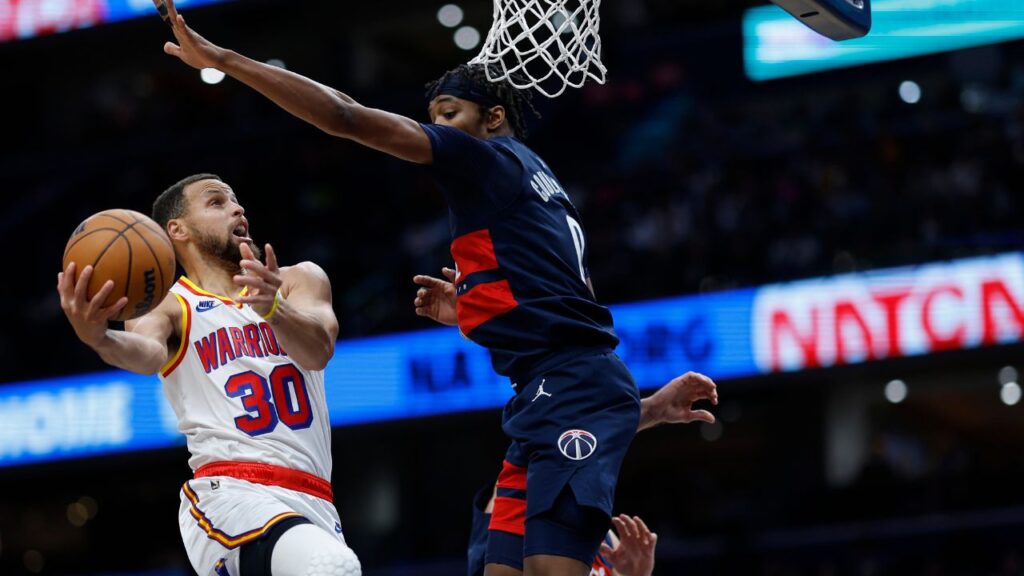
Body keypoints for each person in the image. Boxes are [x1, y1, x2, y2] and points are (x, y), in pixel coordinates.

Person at [152, 2, 718, 574]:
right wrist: (477, 309)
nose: (437, 129)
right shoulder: (540, 183)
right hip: (550, 395)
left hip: (570, 389)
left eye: (449, 114)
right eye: (433, 116)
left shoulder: (489, 162)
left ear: (493, 118)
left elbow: (344, 116)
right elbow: (564, 311)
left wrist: (223, 58)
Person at [57, 174, 361, 576]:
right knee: (331, 566)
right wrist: (99, 338)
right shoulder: (170, 305)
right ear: (177, 230)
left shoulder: (296, 280)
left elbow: (318, 350)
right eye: (217, 202)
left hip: (315, 500)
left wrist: (273, 308)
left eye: (237, 202)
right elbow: (147, 355)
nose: (238, 209)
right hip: (231, 493)